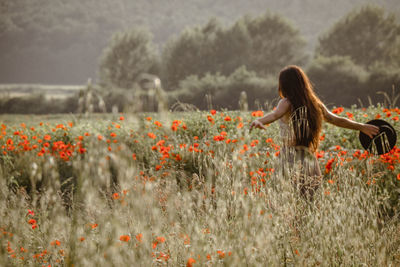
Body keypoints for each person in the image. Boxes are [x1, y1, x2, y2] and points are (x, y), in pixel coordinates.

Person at [249, 65, 379, 199]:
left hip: (289, 157)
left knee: (285, 200)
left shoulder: (286, 102)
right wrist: (361, 126)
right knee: (309, 201)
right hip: (308, 158)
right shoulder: (315, 104)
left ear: (284, 85)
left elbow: (274, 115)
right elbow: (337, 120)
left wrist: (259, 121)